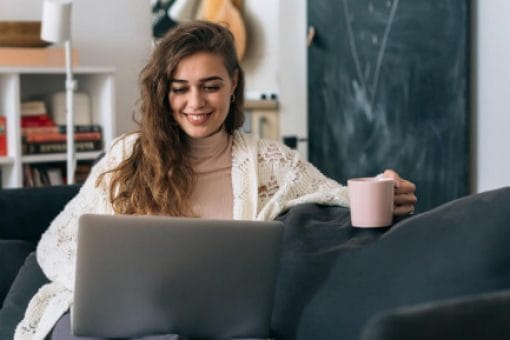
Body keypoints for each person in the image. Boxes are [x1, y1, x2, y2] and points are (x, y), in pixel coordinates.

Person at [15, 21, 416, 340]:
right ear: (163, 93)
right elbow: (56, 243)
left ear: (234, 85)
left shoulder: (267, 160)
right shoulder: (127, 155)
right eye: (180, 89)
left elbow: (335, 194)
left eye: (211, 86)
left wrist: (388, 186)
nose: (196, 103)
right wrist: (101, 287)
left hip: (214, 325)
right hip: (118, 321)